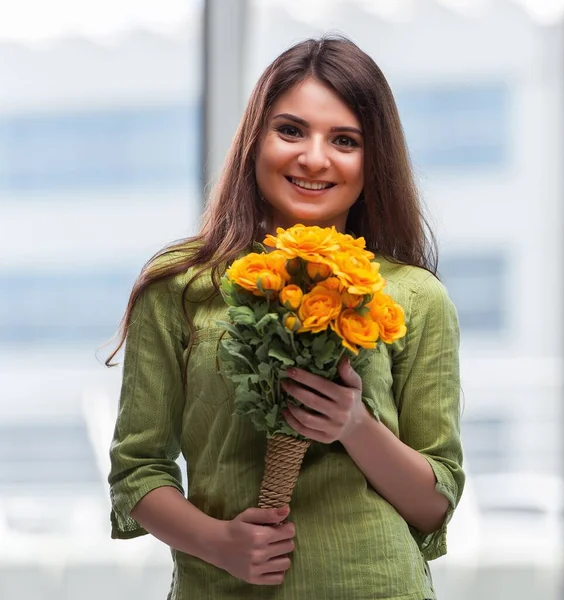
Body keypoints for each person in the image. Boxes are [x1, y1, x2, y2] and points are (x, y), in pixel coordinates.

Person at [106, 35, 464, 600]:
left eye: (345, 140)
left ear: (374, 161)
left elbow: (434, 501)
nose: (314, 158)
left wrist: (354, 426)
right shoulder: (179, 286)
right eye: (291, 130)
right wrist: (219, 542)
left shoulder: (414, 296)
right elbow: (137, 471)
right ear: (254, 140)